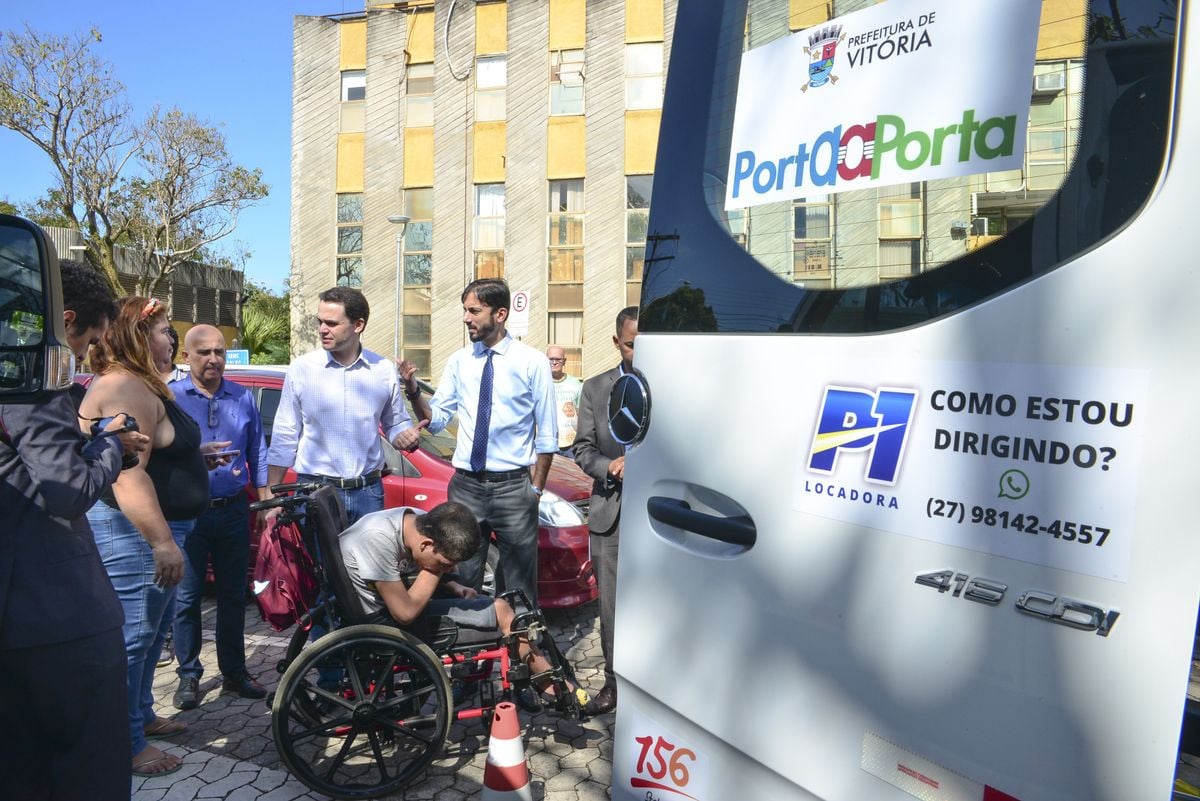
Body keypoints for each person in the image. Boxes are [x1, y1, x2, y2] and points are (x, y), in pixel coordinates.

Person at [0, 260, 150, 801]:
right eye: (89, 340)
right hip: (54, 616)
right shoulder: (30, 385)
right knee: (89, 768)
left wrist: (89, 437)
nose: (88, 354)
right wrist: (112, 447)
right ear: (65, 321)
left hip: (20, 614)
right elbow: (65, 492)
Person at [82, 296, 227, 777]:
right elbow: (126, 475)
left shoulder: (142, 383)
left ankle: (140, 717)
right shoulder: (125, 385)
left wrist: (194, 456)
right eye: (165, 329)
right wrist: (162, 543)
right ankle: (123, 743)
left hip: (159, 529)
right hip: (136, 534)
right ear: (140, 336)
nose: (171, 338)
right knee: (133, 638)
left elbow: (156, 452)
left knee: (146, 639)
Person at [339, 501, 585, 703]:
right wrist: (433, 572)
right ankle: (549, 684)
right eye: (446, 564)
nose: (448, 569)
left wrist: (452, 583)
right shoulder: (376, 539)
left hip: (388, 606)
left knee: (495, 603)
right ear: (426, 544)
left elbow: (411, 569)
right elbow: (405, 613)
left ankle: (538, 676)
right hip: (384, 625)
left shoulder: (413, 521)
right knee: (503, 611)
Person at [415, 278, 558, 605]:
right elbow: (436, 421)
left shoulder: (532, 362)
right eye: (465, 310)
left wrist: (534, 489)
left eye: (474, 311)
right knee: (461, 579)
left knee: (519, 589)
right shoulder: (459, 361)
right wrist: (413, 392)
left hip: (513, 489)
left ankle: (520, 653)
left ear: (501, 314)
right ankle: (472, 655)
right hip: (466, 488)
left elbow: (547, 435)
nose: (466, 318)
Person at [170, 325, 271, 711]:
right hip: (189, 513)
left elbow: (257, 451)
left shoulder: (242, 396)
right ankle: (189, 675)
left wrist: (264, 502)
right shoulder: (172, 398)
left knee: (232, 596)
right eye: (204, 352)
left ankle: (234, 673)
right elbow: (162, 453)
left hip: (233, 511)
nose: (213, 359)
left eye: (219, 352)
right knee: (187, 597)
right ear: (186, 357)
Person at [267, 286, 422, 525]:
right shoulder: (302, 369)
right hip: (314, 492)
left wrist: (402, 436)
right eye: (320, 321)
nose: (322, 330)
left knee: (366, 564)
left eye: (331, 323)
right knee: (319, 563)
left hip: (368, 493)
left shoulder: (382, 370)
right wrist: (273, 494)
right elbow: (284, 435)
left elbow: (395, 423)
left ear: (358, 325)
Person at [572, 306, 639, 715]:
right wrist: (609, 467)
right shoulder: (596, 389)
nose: (640, 353)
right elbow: (582, 449)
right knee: (612, 608)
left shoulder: (674, 387)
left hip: (661, 515)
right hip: (610, 514)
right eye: (632, 345)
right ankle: (614, 685)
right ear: (617, 342)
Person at [546, 344, 582, 454]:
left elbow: (581, 414)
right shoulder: (540, 384)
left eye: (558, 359)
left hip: (571, 446)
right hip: (547, 445)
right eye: (551, 359)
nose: (554, 362)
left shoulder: (576, 384)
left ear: (564, 361)